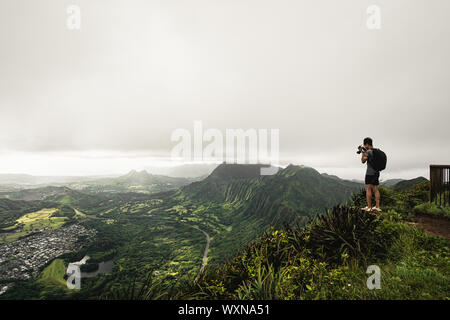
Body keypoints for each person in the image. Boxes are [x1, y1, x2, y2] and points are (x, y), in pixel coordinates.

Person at [361, 137, 381, 213]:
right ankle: (377, 206)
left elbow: (363, 161)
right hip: (376, 172)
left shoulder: (369, 151)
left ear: (366, 144)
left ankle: (369, 207)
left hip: (369, 173)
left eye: (364, 145)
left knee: (368, 189)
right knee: (375, 189)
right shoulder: (376, 151)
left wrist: (363, 153)